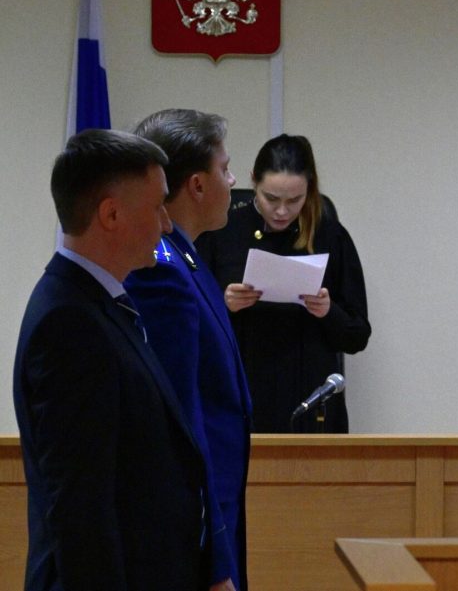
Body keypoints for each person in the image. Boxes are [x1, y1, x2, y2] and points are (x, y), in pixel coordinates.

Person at [13, 129, 209, 590]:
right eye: (157, 206)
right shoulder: (69, 324)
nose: (167, 225)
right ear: (112, 214)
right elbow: (81, 508)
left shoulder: (98, 304)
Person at [125, 109, 252, 591]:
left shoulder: (187, 258)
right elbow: (181, 420)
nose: (233, 181)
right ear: (197, 185)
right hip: (196, 528)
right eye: (225, 168)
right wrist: (214, 561)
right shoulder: (162, 270)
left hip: (219, 505)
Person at [196, 134, 371, 432]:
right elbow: (190, 327)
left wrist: (328, 311)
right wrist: (224, 306)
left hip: (310, 400)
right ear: (253, 181)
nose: (281, 211)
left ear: (309, 190)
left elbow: (357, 336)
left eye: (294, 200)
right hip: (241, 396)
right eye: (271, 198)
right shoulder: (221, 232)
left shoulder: (330, 235)